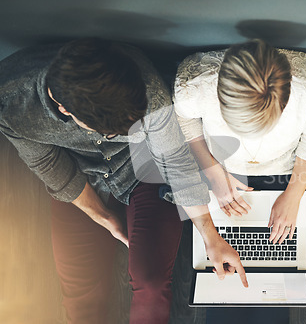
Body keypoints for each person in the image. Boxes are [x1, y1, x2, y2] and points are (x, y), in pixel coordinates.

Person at [0, 38, 247, 324]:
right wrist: (105, 218)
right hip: (81, 175)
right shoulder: (10, 102)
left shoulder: (146, 86)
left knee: (151, 282)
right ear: (65, 109)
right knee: (81, 298)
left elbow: (174, 161)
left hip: (145, 170)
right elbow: (49, 165)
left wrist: (211, 237)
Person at [173, 39, 306, 244]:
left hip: (289, 173)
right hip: (214, 164)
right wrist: (213, 171)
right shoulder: (195, 86)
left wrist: (294, 195)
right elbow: (184, 119)